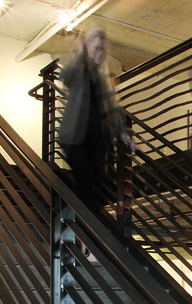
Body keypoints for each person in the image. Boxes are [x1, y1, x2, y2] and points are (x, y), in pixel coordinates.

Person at [58, 25, 137, 210]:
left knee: (100, 181)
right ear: (87, 48)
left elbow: (112, 110)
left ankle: (88, 226)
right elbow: (65, 76)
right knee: (86, 183)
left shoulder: (102, 79)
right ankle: (82, 226)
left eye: (102, 48)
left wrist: (125, 137)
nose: (99, 53)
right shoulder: (78, 71)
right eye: (95, 48)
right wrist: (78, 55)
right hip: (75, 139)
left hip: (96, 139)